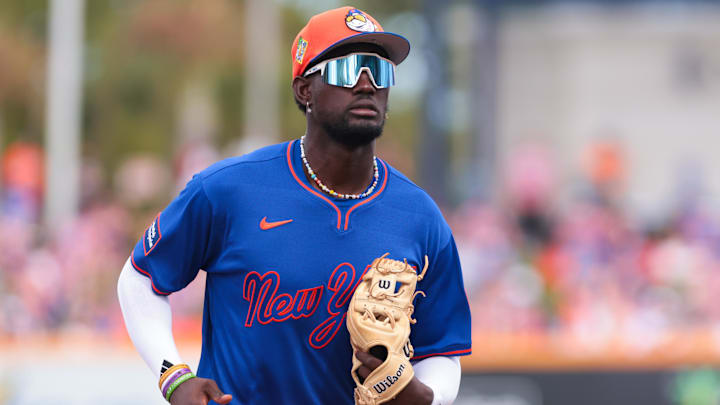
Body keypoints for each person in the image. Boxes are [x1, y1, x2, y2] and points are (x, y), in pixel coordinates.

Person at [117, 6, 471, 405]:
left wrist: (424, 397)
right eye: (347, 69)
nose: (367, 83)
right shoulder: (228, 190)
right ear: (305, 90)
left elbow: (442, 351)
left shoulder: (420, 218)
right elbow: (139, 279)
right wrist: (173, 377)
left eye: (379, 69)